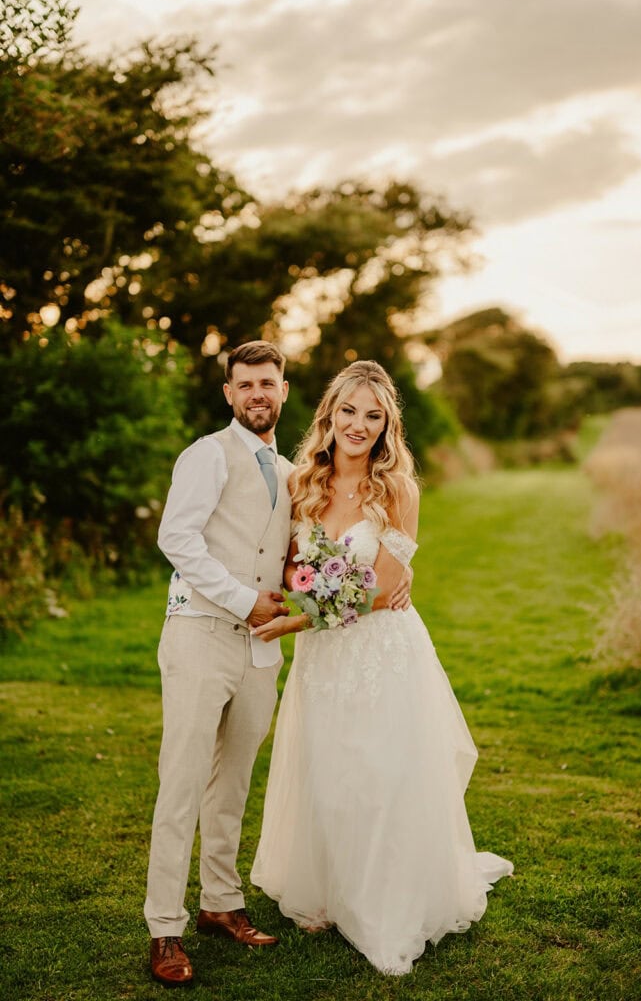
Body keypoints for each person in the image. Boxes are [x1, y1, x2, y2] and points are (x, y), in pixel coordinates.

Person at [250, 359, 513, 976]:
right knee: (328, 766)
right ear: (330, 415)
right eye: (349, 412)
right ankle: (328, 891)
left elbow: (384, 586)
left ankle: (385, 900)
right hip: (325, 659)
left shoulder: (397, 489)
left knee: (380, 772)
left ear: (388, 424)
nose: (359, 425)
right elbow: (293, 567)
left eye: (374, 416)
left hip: (382, 653)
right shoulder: (302, 485)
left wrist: (298, 618)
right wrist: (305, 588)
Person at [144, 341, 294, 987]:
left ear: (283, 391)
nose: (258, 393)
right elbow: (175, 538)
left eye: (268, 382)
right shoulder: (206, 454)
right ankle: (163, 930)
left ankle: (221, 904)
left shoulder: (290, 470)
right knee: (180, 783)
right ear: (228, 394)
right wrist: (242, 599)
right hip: (201, 634)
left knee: (231, 784)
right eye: (245, 385)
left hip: (261, 649)